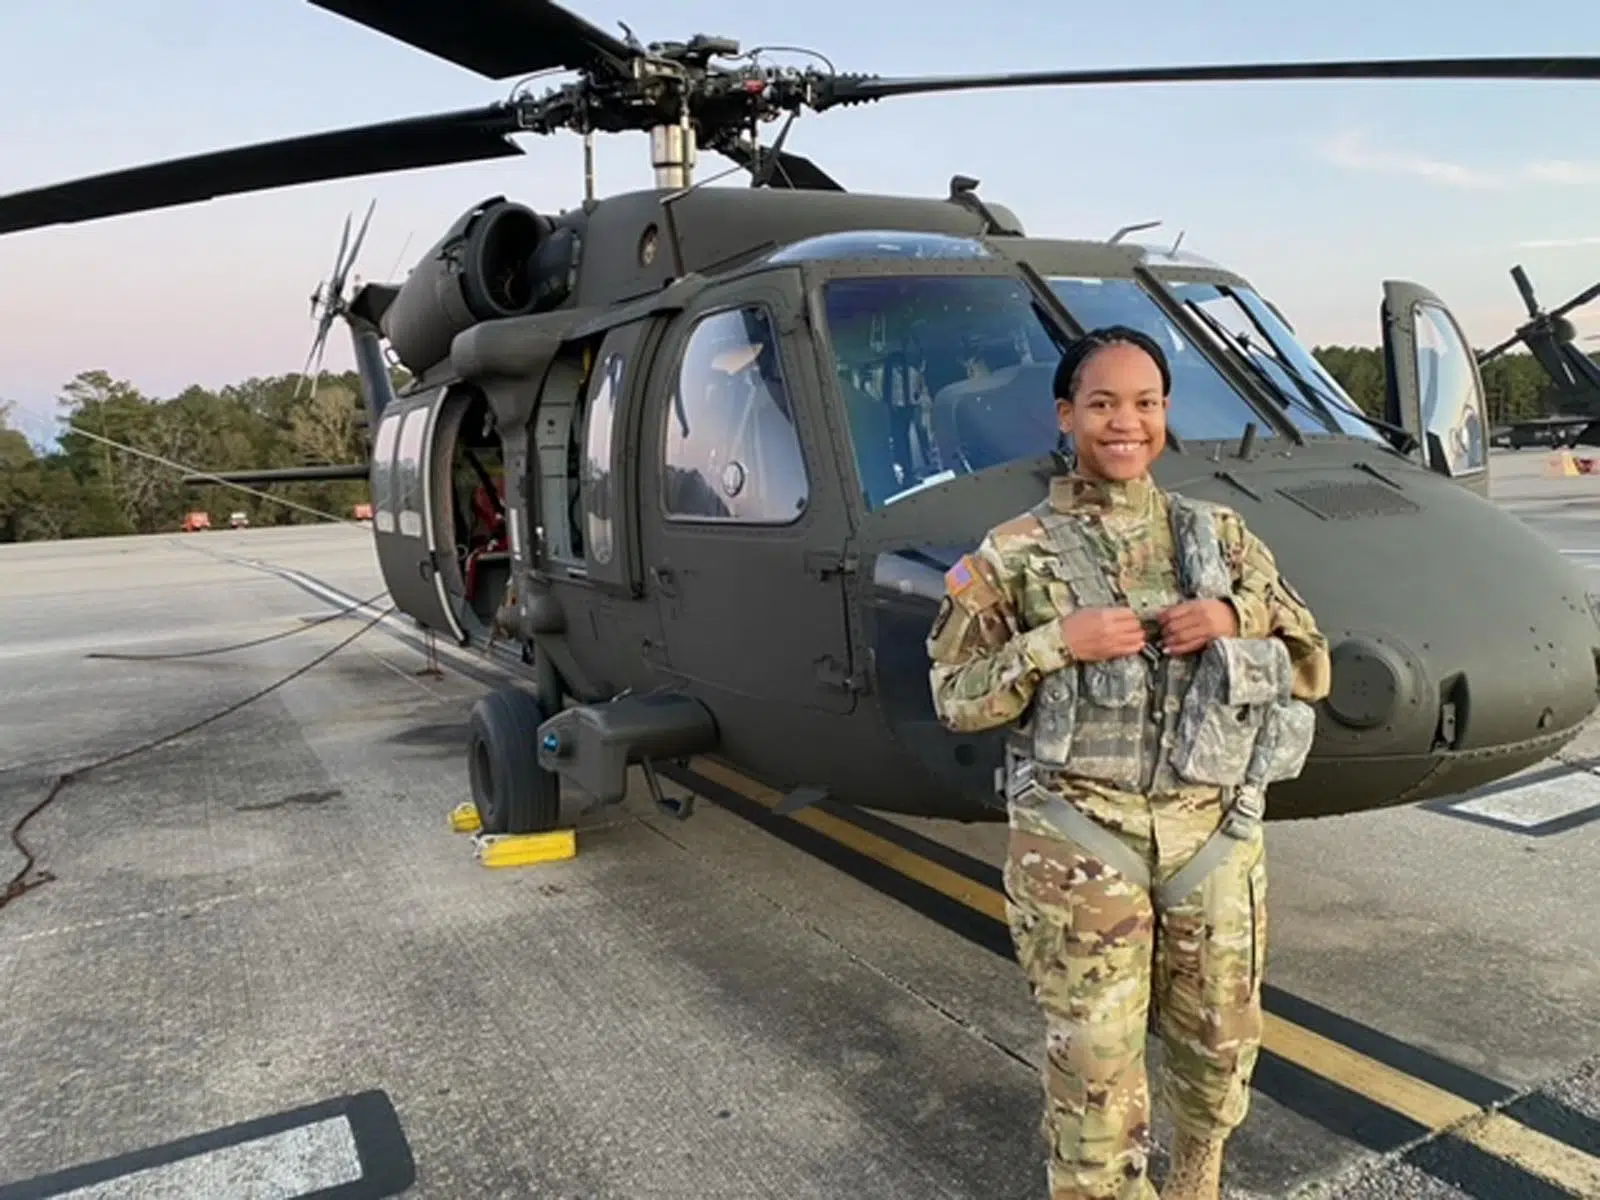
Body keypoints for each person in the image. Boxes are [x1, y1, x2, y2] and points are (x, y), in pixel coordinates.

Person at [925, 325, 1332, 1200]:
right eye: (1103, 403)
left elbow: (1314, 661)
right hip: (1080, 835)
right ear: (1067, 414)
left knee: (1220, 1050)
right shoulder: (1014, 554)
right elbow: (955, 696)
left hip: (1213, 834)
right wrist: (1050, 646)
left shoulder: (1220, 539)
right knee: (1097, 1078)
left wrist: (1235, 619)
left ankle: (1197, 1179)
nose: (1125, 423)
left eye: (1145, 403)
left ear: (1165, 417)